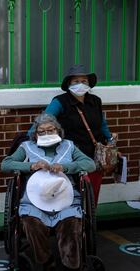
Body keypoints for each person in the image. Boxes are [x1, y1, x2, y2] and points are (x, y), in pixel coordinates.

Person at [2, 113, 96, 271]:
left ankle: (70, 266)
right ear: (35, 134)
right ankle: (46, 261)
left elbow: (90, 164)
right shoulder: (26, 147)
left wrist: (66, 167)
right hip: (34, 200)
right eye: (41, 131)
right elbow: (6, 164)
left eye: (50, 130)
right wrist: (32, 166)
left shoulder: (69, 146)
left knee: (71, 224)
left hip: (66, 198)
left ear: (58, 131)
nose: (46, 134)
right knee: (31, 223)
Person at [30, 64, 112, 205]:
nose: (80, 84)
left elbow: (102, 123)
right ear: (69, 84)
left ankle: (89, 222)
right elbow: (43, 121)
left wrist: (110, 140)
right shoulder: (60, 102)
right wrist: (30, 139)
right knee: (74, 193)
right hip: (72, 155)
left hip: (95, 154)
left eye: (84, 81)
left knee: (93, 192)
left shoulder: (95, 101)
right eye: (76, 81)